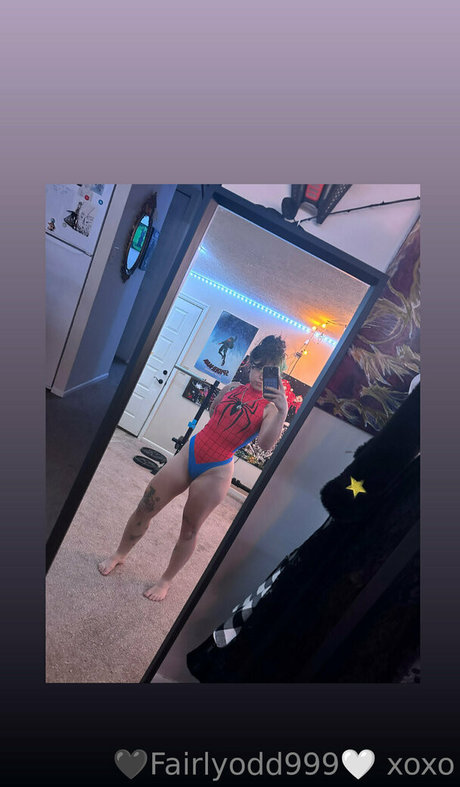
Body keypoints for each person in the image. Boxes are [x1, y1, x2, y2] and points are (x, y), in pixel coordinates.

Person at [98, 335, 288, 601]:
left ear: (277, 374)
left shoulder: (271, 409)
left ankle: (165, 581)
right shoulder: (232, 387)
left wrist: (283, 410)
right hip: (192, 450)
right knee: (146, 504)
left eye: (268, 370)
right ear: (250, 365)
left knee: (189, 529)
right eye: (257, 367)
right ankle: (120, 554)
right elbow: (213, 412)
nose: (259, 375)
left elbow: (266, 445)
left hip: (217, 469)